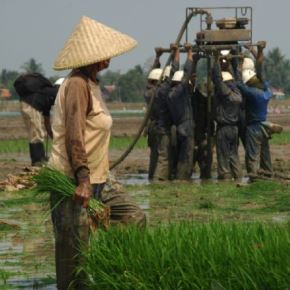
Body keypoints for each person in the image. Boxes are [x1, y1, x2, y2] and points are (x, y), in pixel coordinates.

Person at [48, 16, 146, 290]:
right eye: (103, 55)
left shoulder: (92, 84)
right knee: (74, 253)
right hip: (73, 180)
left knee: (134, 217)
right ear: (91, 57)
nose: (108, 60)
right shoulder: (77, 84)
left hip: (100, 179)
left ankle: (112, 272)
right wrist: (82, 179)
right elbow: (75, 135)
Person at [237, 41, 273, 177]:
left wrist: (239, 65)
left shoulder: (251, 93)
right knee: (265, 151)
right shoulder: (266, 92)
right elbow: (261, 70)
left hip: (253, 127)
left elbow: (239, 84)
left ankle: (253, 175)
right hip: (264, 125)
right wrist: (256, 50)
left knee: (252, 153)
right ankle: (268, 171)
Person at [13, 73, 59, 166]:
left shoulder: (47, 96)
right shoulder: (54, 93)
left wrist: (52, 136)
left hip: (26, 105)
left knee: (35, 132)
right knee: (36, 134)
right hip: (31, 106)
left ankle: (40, 158)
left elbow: (47, 121)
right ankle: (38, 160)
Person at [212, 50, 243, 180]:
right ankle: (238, 177)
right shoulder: (237, 93)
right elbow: (237, 79)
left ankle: (225, 178)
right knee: (234, 155)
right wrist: (230, 63)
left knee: (223, 156)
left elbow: (217, 80)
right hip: (234, 129)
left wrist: (216, 60)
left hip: (224, 129)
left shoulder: (225, 93)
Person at [167, 44, 196, 180]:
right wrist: (189, 53)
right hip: (187, 127)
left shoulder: (169, 93)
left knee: (178, 155)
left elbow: (173, 71)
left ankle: (177, 176)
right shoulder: (180, 91)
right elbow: (187, 72)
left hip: (178, 127)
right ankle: (183, 179)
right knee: (187, 156)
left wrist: (176, 53)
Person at [152, 44, 179, 181]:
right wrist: (177, 53)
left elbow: (154, 74)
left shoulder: (155, 89)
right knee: (164, 155)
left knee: (160, 153)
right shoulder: (164, 90)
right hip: (164, 128)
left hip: (158, 126)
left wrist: (157, 58)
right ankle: (158, 179)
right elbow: (174, 71)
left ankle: (162, 176)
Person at [144, 48, 163, 180]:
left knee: (154, 155)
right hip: (158, 127)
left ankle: (152, 176)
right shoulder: (156, 93)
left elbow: (154, 75)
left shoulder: (148, 91)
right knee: (160, 154)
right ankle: (156, 177)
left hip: (152, 128)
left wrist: (157, 58)